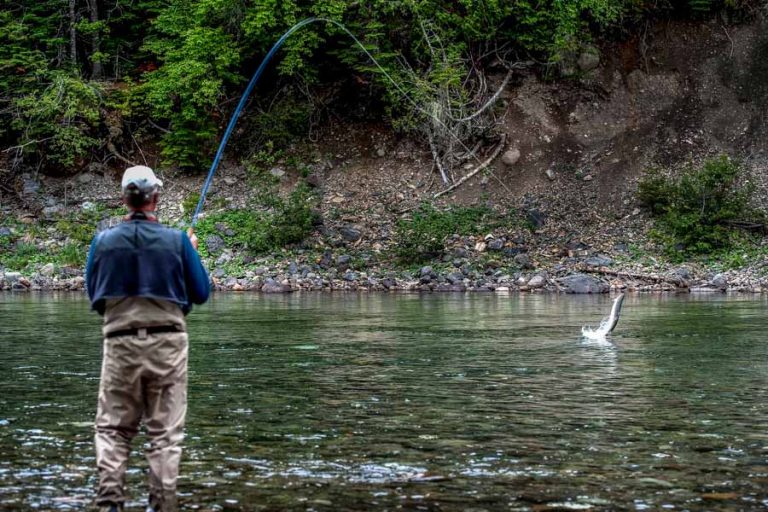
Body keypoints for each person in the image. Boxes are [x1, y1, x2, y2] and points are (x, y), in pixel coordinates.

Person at [85, 165, 210, 512]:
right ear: (156, 197)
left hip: (120, 343)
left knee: (113, 429)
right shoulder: (178, 241)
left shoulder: (102, 242)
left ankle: (111, 503)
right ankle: (162, 505)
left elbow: (95, 298)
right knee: (165, 435)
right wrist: (191, 252)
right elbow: (200, 294)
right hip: (168, 346)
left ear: (124, 198)